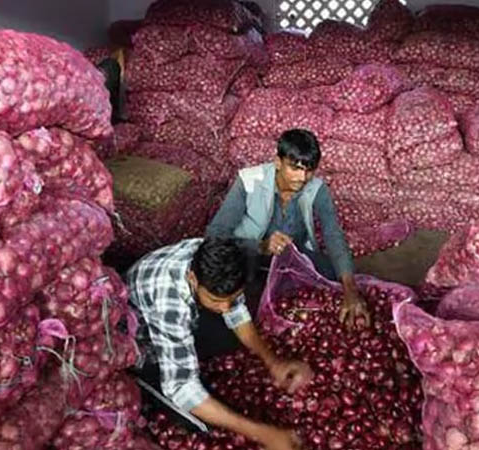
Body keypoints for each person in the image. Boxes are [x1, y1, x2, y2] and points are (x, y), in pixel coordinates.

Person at [126, 237, 310, 450]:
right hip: (137, 345)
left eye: (232, 299)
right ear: (193, 279)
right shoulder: (169, 302)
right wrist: (264, 434)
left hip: (176, 317)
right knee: (198, 424)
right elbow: (181, 387)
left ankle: (190, 353)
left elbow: (236, 311)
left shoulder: (218, 259)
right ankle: (142, 379)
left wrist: (273, 362)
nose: (225, 307)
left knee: (231, 341)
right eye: (215, 300)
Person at [206, 128, 370, 328]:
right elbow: (215, 235)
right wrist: (261, 247)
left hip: (293, 258)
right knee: (240, 300)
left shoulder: (317, 189)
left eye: (309, 170)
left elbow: (333, 235)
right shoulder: (248, 181)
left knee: (335, 274)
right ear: (277, 162)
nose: (302, 177)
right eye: (295, 168)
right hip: (247, 257)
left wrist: (350, 291)